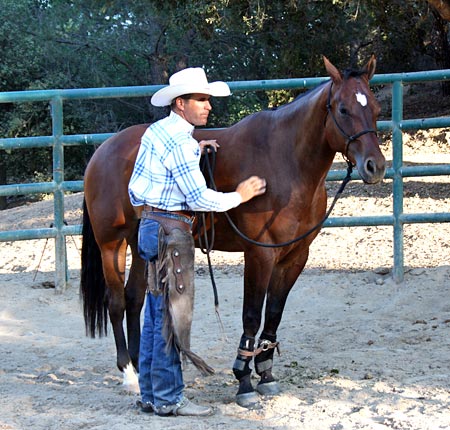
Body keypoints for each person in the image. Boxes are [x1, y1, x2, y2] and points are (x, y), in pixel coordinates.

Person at [128, 67, 266, 417]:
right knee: (172, 318)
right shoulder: (179, 142)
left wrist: (195, 148)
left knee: (154, 314)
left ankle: (150, 394)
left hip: (150, 224)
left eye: (207, 100)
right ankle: (170, 398)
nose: (208, 107)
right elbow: (199, 198)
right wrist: (239, 194)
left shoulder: (158, 133)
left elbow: (139, 185)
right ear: (180, 103)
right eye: (201, 100)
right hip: (172, 232)